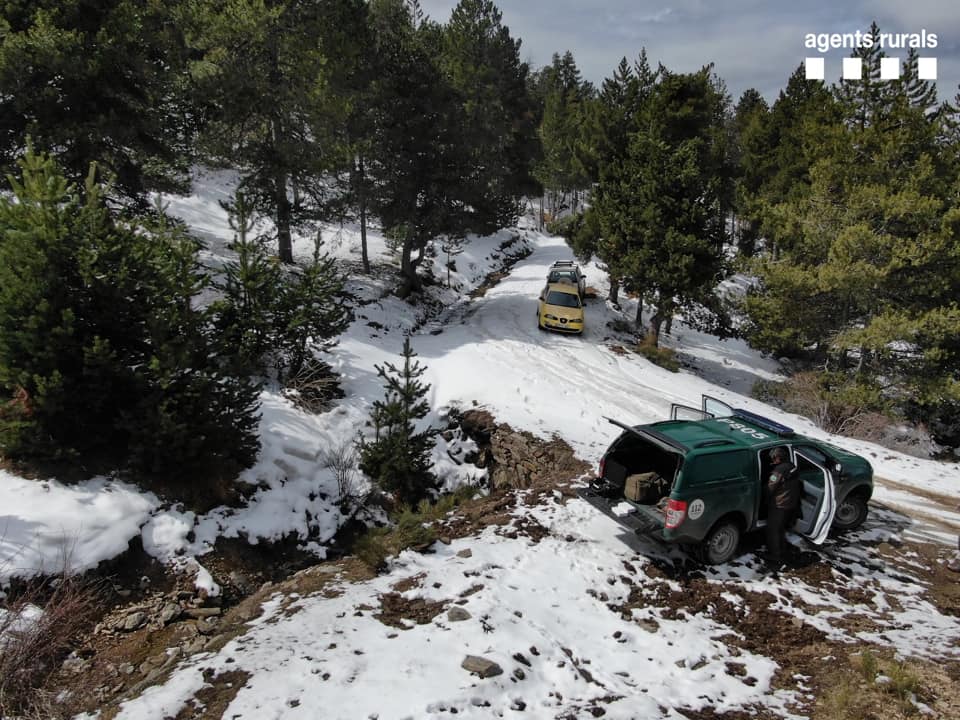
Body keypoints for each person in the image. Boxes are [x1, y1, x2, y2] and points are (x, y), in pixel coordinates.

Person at [765, 447, 800, 569]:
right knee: (780, 528)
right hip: (791, 503)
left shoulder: (778, 471)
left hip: (779, 504)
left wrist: (765, 499)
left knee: (773, 529)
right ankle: (782, 549)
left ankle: (774, 555)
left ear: (779, 458)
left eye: (774, 458)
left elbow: (771, 487)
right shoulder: (792, 466)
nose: (773, 460)